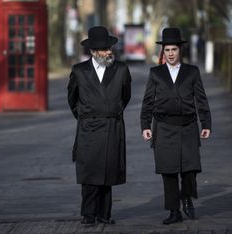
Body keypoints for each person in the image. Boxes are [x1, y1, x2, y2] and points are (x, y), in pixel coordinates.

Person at [140, 27, 212, 225]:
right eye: (167, 50)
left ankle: (187, 195)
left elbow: (201, 99)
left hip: (188, 126)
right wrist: (145, 125)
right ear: (163, 52)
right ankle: (174, 211)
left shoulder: (192, 72)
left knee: (190, 170)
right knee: (169, 172)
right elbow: (147, 102)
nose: (171, 53)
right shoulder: (155, 73)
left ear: (180, 50)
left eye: (174, 49)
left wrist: (206, 123)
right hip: (163, 127)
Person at [67, 26, 132, 225]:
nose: (108, 51)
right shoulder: (79, 71)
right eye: (104, 49)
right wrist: (85, 116)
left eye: (109, 48)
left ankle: (105, 214)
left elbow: (125, 96)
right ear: (94, 52)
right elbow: (72, 99)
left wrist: (112, 112)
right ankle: (88, 214)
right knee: (89, 172)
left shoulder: (121, 69)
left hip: (112, 126)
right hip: (89, 128)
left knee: (107, 171)